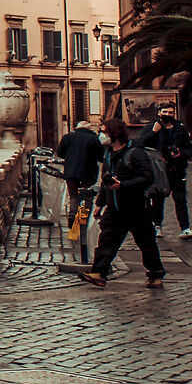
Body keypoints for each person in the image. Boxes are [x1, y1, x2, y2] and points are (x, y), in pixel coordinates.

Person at [71, 119, 167, 288]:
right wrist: (100, 203)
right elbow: (105, 181)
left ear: (113, 134)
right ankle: (99, 273)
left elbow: (147, 178)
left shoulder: (135, 153)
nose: (101, 135)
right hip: (114, 208)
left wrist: (122, 185)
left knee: (146, 242)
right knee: (107, 240)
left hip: (136, 207)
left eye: (104, 131)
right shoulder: (108, 154)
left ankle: (155, 275)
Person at [54, 115, 104, 257]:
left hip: (71, 172)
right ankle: (84, 220)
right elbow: (101, 156)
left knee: (74, 195)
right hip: (88, 173)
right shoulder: (94, 139)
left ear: (76, 128)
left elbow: (60, 153)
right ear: (88, 129)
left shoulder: (67, 137)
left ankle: (72, 216)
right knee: (87, 197)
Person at [146, 103, 192, 239]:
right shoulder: (152, 127)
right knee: (157, 200)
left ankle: (185, 228)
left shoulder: (180, 129)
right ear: (159, 113)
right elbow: (141, 144)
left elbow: (189, 149)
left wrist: (181, 154)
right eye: (165, 112)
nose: (168, 115)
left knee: (180, 199)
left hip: (177, 170)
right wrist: (153, 133)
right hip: (158, 171)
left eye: (170, 112)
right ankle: (157, 226)